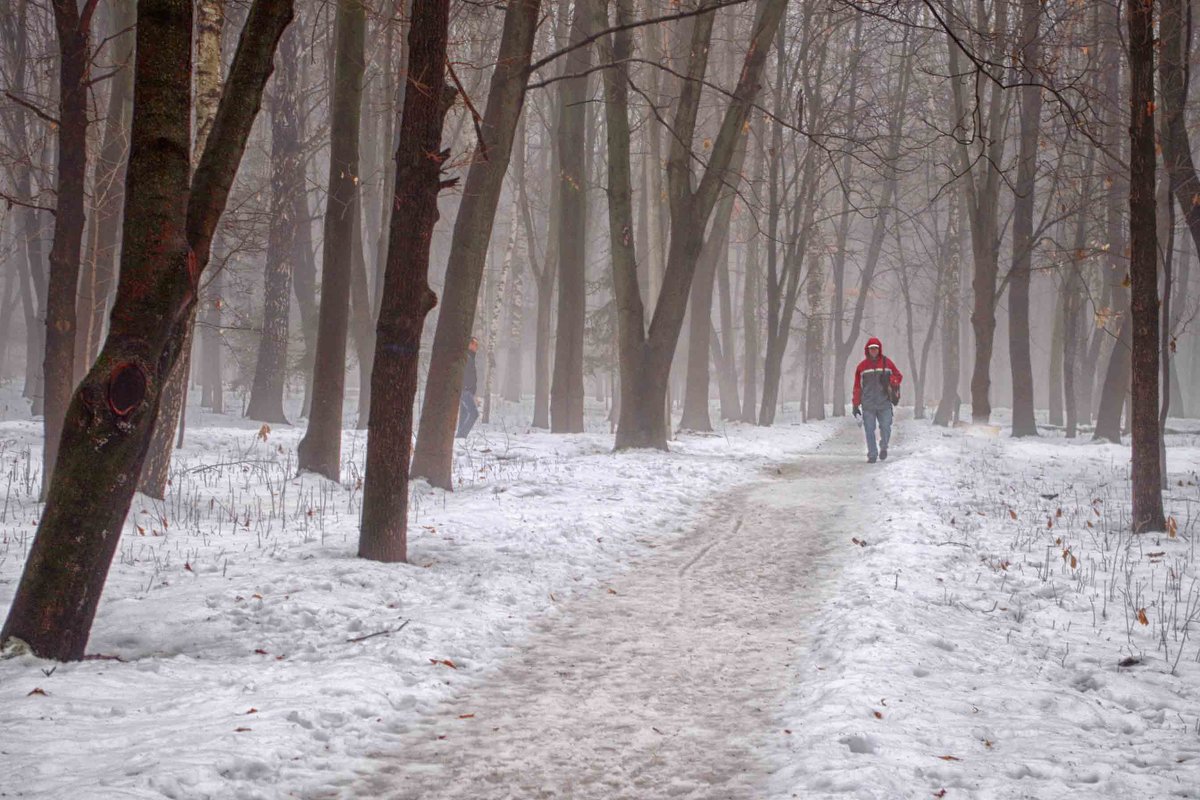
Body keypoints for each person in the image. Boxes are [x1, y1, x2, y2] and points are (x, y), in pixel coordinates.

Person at [851, 336, 902, 463]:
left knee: (886, 427)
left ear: (879, 349)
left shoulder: (887, 363)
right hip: (868, 404)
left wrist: (891, 380)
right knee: (869, 430)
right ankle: (872, 454)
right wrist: (855, 405)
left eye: (875, 348)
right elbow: (857, 387)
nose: (873, 351)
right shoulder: (861, 367)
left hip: (884, 403)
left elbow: (898, 375)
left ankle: (883, 447)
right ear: (867, 350)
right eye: (871, 349)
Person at [456, 337, 480, 438]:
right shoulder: (467, 357)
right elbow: (465, 375)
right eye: (475, 344)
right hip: (465, 391)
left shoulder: (470, 357)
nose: (476, 347)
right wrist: (466, 388)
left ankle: (460, 439)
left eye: (477, 345)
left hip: (467, 391)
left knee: (464, 415)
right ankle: (461, 436)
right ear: (469, 344)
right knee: (474, 414)